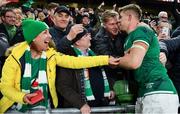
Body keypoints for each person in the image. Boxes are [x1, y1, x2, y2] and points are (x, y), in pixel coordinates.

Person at [0, 19, 119, 113]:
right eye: (45, 33)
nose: (50, 36)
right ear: (34, 38)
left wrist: (106, 59)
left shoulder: (51, 55)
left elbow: (76, 62)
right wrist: (22, 96)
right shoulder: (14, 59)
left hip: (45, 107)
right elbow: (5, 87)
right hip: (15, 108)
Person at [117, 4, 179, 113]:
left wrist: (108, 60)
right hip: (145, 91)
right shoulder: (130, 36)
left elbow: (133, 62)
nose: (118, 21)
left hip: (158, 92)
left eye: (121, 17)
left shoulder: (141, 31)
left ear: (130, 17)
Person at [56, 29, 115, 114]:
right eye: (86, 36)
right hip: (81, 109)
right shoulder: (68, 57)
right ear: (77, 42)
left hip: (100, 104)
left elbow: (104, 74)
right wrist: (80, 104)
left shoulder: (93, 53)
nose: (90, 38)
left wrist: (110, 88)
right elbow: (63, 86)